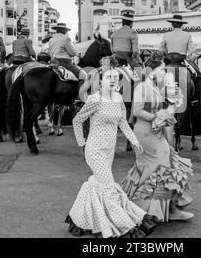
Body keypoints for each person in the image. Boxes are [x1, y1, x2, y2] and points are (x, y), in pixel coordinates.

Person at [66, 56, 157, 238]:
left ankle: (80, 218)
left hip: (109, 150)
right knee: (108, 186)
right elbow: (77, 120)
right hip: (95, 150)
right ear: (101, 80)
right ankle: (123, 222)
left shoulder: (118, 98)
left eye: (116, 77)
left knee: (100, 184)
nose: (114, 80)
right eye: (109, 77)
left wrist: (134, 141)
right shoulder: (94, 99)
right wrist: (81, 143)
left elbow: (123, 123)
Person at [121, 51, 194, 222]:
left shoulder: (155, 88)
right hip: (145, 133)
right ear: (152, 71)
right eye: (162, 70)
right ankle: (155, 209)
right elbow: (137, 111)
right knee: (160, 167)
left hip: (156, 132)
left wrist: (169, 107)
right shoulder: (141, 87)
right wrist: (157, 117)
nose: (164, 73)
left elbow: (163, 108)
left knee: (164, 166)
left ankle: (167, 207)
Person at [159, 14, 201, 105]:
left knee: (154, 75)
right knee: (199, 76)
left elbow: (161, 49)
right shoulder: (187, 35)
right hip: (182, 61)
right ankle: (195, 99)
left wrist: (167, 51)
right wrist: (193, 55)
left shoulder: (166, 35)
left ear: (172, 24)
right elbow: (192, 50)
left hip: (169, 61)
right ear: (181, 25)